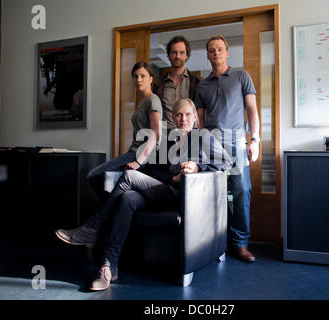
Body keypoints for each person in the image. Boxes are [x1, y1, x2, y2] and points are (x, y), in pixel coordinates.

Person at [55, 98, 232, 291]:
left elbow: (227, 162)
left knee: (129, 176)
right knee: (127, 198)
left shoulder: (204, 137)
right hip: (163, 191)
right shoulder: (168, 141)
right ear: (173, 117)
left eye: (188, 114)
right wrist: (173, 178)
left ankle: (92, 227)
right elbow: (153, 172)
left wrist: (198, 166)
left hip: (185, 199)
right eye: (179, 115)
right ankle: (109, 266)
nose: (183, 119)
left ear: (195, 117)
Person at [194, 34, 260, 263]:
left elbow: (252, 109)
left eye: (219, 49)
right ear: (208, 55)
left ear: (227, 52)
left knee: (241, 190)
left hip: (237, 142)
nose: (216, 53)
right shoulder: (202, 85)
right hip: (211, 144)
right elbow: (200, 120)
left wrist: (256, 140)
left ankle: (240, 243)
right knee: (213, 193)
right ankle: (215, 242)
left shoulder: (241, 76)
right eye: (211, 50)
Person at [87, 62, 162, 198]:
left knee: (94, 175)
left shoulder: (153, 100)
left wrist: (139, 161)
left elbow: (156, 134)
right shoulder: (142, 101)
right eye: (135, 76)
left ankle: (109, 209)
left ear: (151, 78)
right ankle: (113, 208)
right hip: (133, 152)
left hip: (141, 155)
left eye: (142, 76)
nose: (138, 79)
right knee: (109, 182)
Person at [153, 35, 202, 129]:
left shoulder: (197, 82)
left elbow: (201, 112)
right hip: (165, 137)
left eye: (181, 52)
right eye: (174, 52)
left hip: (189, 136)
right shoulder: (157, 83)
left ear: (187, 55)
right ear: (168, 55)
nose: (177, 56)